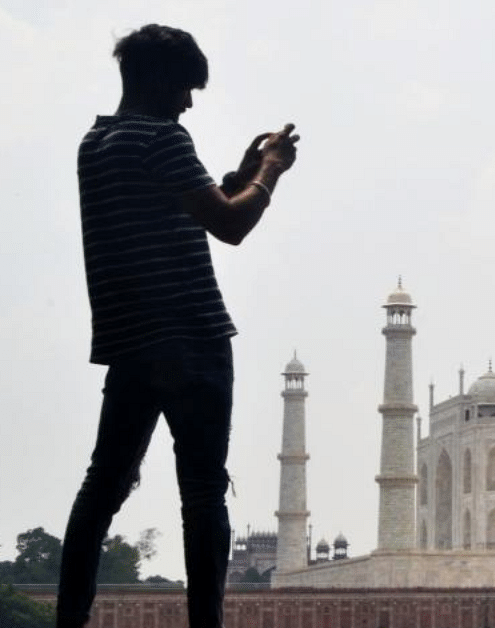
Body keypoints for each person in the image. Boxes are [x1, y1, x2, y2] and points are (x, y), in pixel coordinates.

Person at [58, 24, 299, 628]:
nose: (190, 102)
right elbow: (230, 227)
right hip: (191, 336)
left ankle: (69, 619)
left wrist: (238, 174)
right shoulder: (164, 138)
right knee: (203, 492)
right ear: (161, 81)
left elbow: (182, 210)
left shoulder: (97, 142)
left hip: (130, 340)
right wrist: (269, 172)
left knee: (102, 488)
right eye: (187, 89)